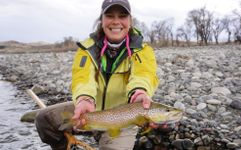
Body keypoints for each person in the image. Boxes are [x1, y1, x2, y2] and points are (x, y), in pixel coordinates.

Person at [35, 0, 159, 149]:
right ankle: (67, 145)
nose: (116, 22)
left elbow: (143, 75)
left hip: (122, 119)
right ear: (102, 20)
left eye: (122, 16)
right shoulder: (86, 49)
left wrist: (139, 93)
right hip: (90, 111)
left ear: (130, 21)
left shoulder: (143, 51)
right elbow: (83, 78)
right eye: (110, 16)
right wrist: (84, 99)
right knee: (44, 119)